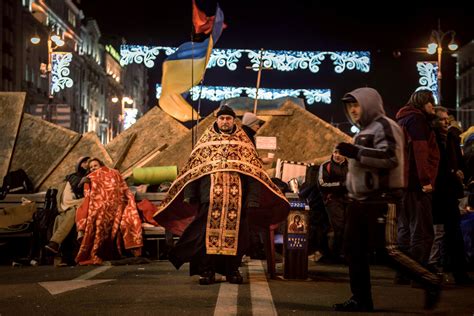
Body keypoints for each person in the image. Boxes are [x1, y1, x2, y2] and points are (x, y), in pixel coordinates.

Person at [153, 105, 290, 285]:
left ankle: (231, 270)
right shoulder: (205, 141)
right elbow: (192, 169)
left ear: (234, 121)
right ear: (216, 120)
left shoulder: (243, 143)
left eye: (229, 118)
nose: (225, 121)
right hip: (208, 198)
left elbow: (254, 173)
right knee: (204, 238)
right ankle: (207, 271)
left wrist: (253, 199)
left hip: (237, 200)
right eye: (222, 118)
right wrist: (190, 193)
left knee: (237, 238)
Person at [333, 87, 441, 312]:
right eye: (349, 106)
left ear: (369, 104)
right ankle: (361, 299)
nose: (353, 110)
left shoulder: (385, 125)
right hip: (360, 201)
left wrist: (355, 152)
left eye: (357, 105)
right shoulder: (364, 130)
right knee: (354, 250)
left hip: (380, 199)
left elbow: (391, 157)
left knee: (387, 251)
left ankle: (430, 280)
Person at [395, 89, 440, 277]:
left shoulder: (401, 119)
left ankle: (403, 274)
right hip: (416, 184)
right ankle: (419, 274)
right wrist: (426, 180)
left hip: (402, 183)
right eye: (431, 104)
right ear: (423, 102)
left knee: (404, 229)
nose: (433, 108)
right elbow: (421, 151)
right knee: (421, 230)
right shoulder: (417, 120)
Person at [429, 107, 472, 284]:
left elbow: (459, 163)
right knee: (434, 232)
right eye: (441, 119)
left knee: (453, 232)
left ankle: (458, 272)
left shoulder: (452, 138)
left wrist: (460, 171)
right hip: (435, 191)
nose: (446, 122)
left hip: (449, 192)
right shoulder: (431, 138)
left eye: (447, 119)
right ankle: (432, 268)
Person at [75, 158, 143, 265]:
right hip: (99, 206)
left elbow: (120, 188)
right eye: (91, 167)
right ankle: (97, 250)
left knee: (126, 219)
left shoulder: (112, 173)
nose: (93, 168)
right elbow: (90, 196)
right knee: (97, 218)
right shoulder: (90, 178)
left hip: (117, 205)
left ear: (101, 165)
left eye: (95, 166)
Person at [44, 156, 89, 264]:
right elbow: (68, 200)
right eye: (86, 162)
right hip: (67, 205)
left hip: (71, 208)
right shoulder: (73, 178)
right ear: (81, 165)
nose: (88, 165)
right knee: (72, 212)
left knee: (63, 218)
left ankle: (56, 247)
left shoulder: (87, 177)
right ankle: (57, 248)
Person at [318, 147, 348, 261]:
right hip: (332, 200)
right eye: (335, 152)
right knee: (339, 226)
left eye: (340, 153)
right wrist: (341, 185)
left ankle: (343, 253)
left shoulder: (350, 166)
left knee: (347, 227)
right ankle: (337, 254)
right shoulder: (326, 166)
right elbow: (322, 184)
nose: (337, 155)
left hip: (348, 200)